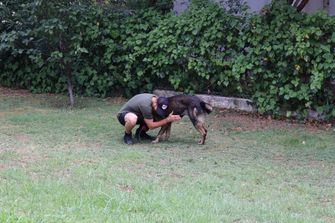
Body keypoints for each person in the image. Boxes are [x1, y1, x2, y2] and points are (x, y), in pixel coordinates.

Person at [117, 93, 181, 145]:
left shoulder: (157, 99)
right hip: (124, 115)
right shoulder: (146, 106)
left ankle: (141, 133)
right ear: (155, 103)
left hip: (139, 115)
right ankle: (127, 134)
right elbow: (151, 126)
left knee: (155, 115)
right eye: (158, 109)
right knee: (132, 119)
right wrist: (167, 120)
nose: (159, 111)